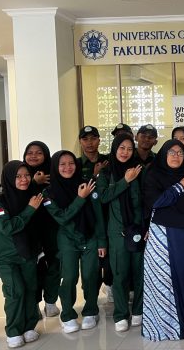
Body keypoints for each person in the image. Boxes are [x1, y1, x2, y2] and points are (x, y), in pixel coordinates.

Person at [141, 140, 184, 341]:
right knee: (163, 278)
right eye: (172, 152)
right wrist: (180, 187)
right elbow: (156, 202)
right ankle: (164, 325)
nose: (176, 156)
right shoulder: (153, 174)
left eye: (180, 152)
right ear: (164, 153)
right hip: (162, 234)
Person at [43, 151, 107, 333]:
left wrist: (102, 241)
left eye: (71, 163)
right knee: (69, 277)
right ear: (55, 167)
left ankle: (91, 311)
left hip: (90, 236)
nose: (67, 167)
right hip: (67, 238)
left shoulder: (87, 184)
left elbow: (98, 215)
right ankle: (67, 314)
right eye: (62, 164)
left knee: (91, 275)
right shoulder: (48, 193)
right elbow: (62, 218)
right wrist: (80, 198)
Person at [0, 161, 43, 348]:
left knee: (30, 288)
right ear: (9, 179)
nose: (24, 180)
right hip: (5, 255)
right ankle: (13, 331)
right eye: (18, 176)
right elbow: (7, 227)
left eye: (27, 175)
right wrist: (29, 210)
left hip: (28, 252)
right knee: (16, 291)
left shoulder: (32, 195)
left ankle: (29, 327)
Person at [98, 133, 144, 332]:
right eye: (122, 148)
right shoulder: (106, 173)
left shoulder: (139, 170)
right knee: (120, 274)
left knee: (139, 273)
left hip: (138, 230)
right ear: (114, 148)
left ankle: (139, 310)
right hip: (117, 232)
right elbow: (103, 196)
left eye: (130, 149)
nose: (125, 152)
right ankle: (121, 314)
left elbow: (145, 201)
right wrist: (125, 180)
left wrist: (144, 228)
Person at [23, 141, 60, 318]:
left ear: (46, 155)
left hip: (52, 228)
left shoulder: (53, 172)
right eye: (30, 152)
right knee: (33, 269)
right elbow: (15, 196)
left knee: (54, 264)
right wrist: (33, 182)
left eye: (38, 152)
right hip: (30, 230)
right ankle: (34, 304)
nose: (33, 156)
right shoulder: (21, 174)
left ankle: (51, 302)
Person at [78, 125, 113, 302]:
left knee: (110, 258)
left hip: (108, 215)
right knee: (91, 263)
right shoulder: (76, 164)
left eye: (93, 138)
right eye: (85, 139)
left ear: (99, 140)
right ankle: (90, 298)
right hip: (87, 219)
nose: (89, 143)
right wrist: (94, 175)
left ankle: (110, 285)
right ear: (80, 142)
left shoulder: (109, 161)